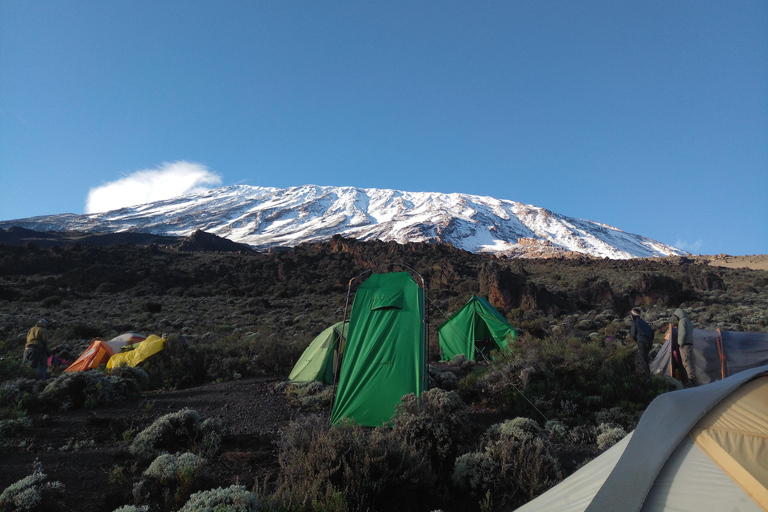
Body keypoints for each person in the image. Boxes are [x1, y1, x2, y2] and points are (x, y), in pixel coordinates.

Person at [674, 308, 695, 387]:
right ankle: (692, 378)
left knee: (686, 362)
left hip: (685, 344)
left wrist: (680, 343)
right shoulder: (689, 321)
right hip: (690, 343)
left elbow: (683, 333)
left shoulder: (682, 321)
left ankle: (690, 380)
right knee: (690, 361)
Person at [630, 307, 654, 374]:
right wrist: (650, 341)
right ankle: (638, 374)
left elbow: (633, 334)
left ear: (632, 315)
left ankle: (647, 377)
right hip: (649, 342)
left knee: (643, 360)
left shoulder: (634, 322)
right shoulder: (644, 323)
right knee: (637, 358)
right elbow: (652, 333)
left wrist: (638, 341)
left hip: (642, 342)